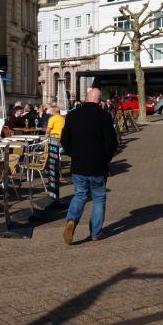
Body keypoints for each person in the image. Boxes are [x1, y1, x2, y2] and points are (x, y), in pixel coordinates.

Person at [60, 88, 118, 245]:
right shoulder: (104, 116)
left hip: (79, 164)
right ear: (99, 101)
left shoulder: (72, 115)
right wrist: (106, 158)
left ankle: (72, 219)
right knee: (99, 198)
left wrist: (73, 154)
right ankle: (96, 233)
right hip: (98, 165)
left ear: (86, 98)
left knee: (79, 195)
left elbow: (64, 140)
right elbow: (111, 142)